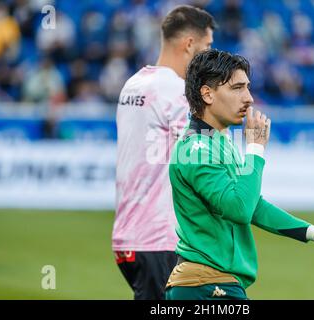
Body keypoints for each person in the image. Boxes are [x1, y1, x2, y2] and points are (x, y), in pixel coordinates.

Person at [166, 49, 314, 300]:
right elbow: (240, 208)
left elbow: (252, 204)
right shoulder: (197, 149)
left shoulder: (217, 142)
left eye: (248, 88)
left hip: (212, 283)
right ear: (207, 93)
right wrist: (255, 148)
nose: (249, 98)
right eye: (237, 88)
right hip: (207, 286)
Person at [112, 5, 216, 300]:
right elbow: (203, 156)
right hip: (160, 238)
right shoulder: (176, 91)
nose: (209, 54)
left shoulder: (133, 84)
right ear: (189, 44)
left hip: (129, 234)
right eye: (207, 46)